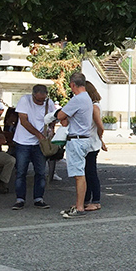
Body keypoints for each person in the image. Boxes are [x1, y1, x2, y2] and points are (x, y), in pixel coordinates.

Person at [55, 71, 94, 218]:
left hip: (77, 139)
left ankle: (79, 207)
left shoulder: (77, 99)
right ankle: (79, 204)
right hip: (82, 138)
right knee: (79, 173)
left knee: (79, 174)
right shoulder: (87, 98)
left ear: (72, 85)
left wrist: (61, 117)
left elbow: (60, 116)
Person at [12, 84, 56, 210]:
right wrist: (38, 135)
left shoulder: (49, 103)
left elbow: (52, 118)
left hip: (39, 144)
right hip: (23, 141)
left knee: (41, 172)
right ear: (32, 95)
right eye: (38, 100)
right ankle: (20, 199)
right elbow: (24, 121)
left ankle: (39, 198)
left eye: (43, 100)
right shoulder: (24, 101)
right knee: (21, 171)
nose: (40, 102)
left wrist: (51, 130)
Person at [81, 82, 108, 211]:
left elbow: (99, 126)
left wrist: (99, 138)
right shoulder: (92, 106)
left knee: (91, 173)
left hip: (91, 143)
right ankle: (86, 199)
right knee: (86, 172)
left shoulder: (94, 107)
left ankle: (96, 200)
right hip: (91, 142)